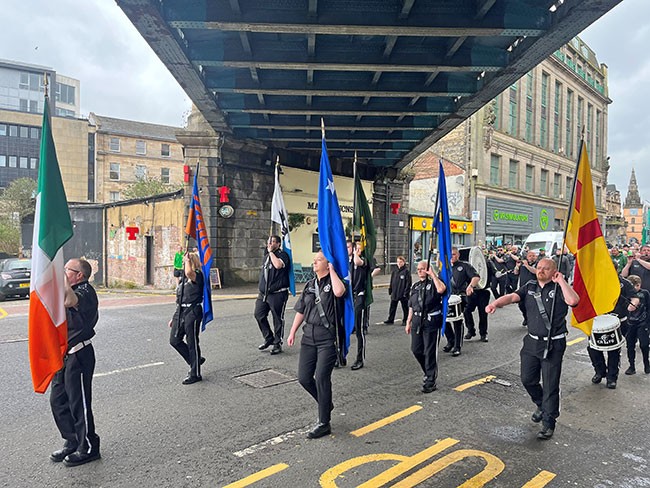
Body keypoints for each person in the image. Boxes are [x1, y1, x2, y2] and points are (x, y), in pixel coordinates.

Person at [486, 258, 579, 440]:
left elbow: (573, 301)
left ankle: (548, 422)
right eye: (539, 268)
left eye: (546, 269)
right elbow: (513, 297)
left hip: (553, 343)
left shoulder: (559, 288)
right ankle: (541, 404)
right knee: (527, 379)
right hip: (532, 342)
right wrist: (495, 303)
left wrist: (561, 280)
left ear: (554, 271)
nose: (541, 271)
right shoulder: (530, 286)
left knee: (550, 384)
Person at [287, 251, 346, 439]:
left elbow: (339, 292)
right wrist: (292, 331)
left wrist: (333, 271)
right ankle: (325, 403)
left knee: (321, 377)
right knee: (304, 378)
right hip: (308, 337)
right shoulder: (310, 285)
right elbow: (301, 310)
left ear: (328, 264)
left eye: (319, 259)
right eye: (314, 259)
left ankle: (324, 422)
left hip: (327, 338)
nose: (314, 262)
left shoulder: (333, 283)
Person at [49, 258, 101, 467]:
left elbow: (70, 302)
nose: (63, 273)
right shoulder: (69, 288)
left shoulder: (86, 291)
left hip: (79, 354)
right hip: (63, 355)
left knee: (79, 403)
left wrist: (59, 275)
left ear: (79, 275)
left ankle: (88, 446)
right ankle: (72, 440)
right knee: (58, 400)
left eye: (67, 270)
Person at [405, 261, 447, 393]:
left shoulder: (434, 283)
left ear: (428, 270)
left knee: (429, 351)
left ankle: (430, 380)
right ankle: (428, 372)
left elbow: (441, 290)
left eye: (422, 269)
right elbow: (411, 306)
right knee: (416, 350)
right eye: (418, 269)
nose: (419, 271)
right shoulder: (415, 286)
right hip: (417, 320)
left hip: (430, 321)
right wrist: (408, 322)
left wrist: (433, 275)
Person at [588, 275, 635, 389]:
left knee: (613, 350)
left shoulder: (625, 283)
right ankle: (600, 371)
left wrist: (633, 303)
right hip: (599, 321)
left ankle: (612, 378)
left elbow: (634, 296)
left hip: (618, 321)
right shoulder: (597, 281)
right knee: (592, 348)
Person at [169, 252, 205, 385]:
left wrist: (187, 261)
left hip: (193, 311)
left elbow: (190, 273)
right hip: (181, 311)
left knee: (192, 342)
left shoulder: (197, 275)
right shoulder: (183, 279)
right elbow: (180, 298)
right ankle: (194, 360)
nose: (184, 265)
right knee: (174, 340)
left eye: (185, 263)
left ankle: (195, 373)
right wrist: (175, 317)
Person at [254, 235, 290, 355]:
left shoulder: (282, 255)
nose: (270, 243)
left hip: (278, 294)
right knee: (259, 315)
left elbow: (278, 265)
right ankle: (268, 337)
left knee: (277, 318)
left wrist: (271, 253)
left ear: (279, 244)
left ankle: (277, 343)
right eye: (269, 241)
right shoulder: (266, 257)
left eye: (273, 241)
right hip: (264, 294)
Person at [445, 247, 480, 356]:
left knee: (457, 321)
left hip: (460, 297)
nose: (452, 257)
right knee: (444, 320)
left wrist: (470, 286)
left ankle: (457, 346)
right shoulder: (445, 268)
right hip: (447, 297)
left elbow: (476, 277)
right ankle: (450, 340)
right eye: (450, 255)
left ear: (458, 255)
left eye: (454, 254)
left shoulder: (464, 266)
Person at [347, 240, 368, 370]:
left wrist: (356, 253)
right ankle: (340, 356)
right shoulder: (345, 261)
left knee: (358, 328)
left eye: (349, 246)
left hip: (358, 295)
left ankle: (359, 358)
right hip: (347, 296)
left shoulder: (363, 260)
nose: (346, 249)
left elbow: (358, 262)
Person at [624, 275, 650, 375]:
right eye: (634, 286)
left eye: (637, 285)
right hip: (630, 323)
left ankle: (646, 364)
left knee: (644, 345)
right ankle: (632, 366)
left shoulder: (645, 293)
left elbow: (648, 307)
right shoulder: (627, 295)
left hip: (642, 323)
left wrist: (647, 322)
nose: (636, 288)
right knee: (630, 345)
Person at [514, 250, 538, 327]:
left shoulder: (538, 264)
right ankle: (526, 317)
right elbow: (516, 273)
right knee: (521, 305)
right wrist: (517, 267)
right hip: (523, 288)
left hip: (534, 288)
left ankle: (532, 320)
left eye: (533, 256)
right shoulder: (522, 264)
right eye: (530, 256)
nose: (532, 257)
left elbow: (536, 272)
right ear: (527, 257)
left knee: (532, 305)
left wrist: (527, 265)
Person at [385, 255, 411, 324]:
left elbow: (408, 283)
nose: (399, 263)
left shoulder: (406, 271)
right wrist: (390, 289)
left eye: (401, 262)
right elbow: (392, 281)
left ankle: (405, 320)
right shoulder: (395, 271)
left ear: (404, 262)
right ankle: (390, 319)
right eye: (398, 262)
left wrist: (406, 292)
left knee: (405, 308)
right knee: (392, 307)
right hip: (395, 292)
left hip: (403, 293)